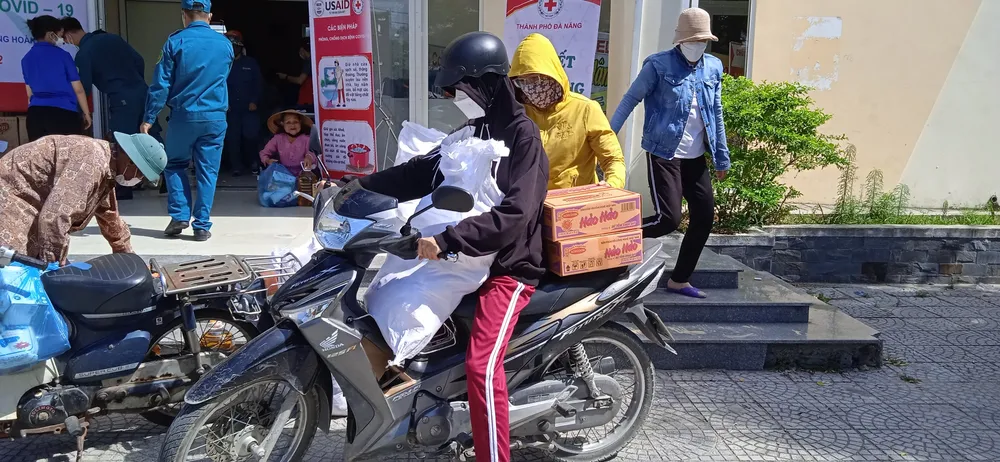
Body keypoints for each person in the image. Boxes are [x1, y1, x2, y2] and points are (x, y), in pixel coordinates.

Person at [357, 32, 548, 462]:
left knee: (481, 367)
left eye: (458, 89)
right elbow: (420, 173)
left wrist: (447, 240)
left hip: (509, 268)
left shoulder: (524, 139)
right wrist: (360, 187)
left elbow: (516, 215)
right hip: (462, 258)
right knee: (383, 299)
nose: (454, 98)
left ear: (486, 83)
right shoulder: (470, 131)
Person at [609, 7, 730, 299]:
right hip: (664, 153)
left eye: (702, 41)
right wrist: (606, 138)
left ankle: (680, 279)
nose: (698, 45)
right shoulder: (658, 65)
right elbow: (630, 100)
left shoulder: (713, 67)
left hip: (695, 157)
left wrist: (721, 156)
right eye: (693, 40)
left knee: (704, 217)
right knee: (668, 219)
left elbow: (716, 112)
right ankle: (612, 241)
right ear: (681, 40)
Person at [141, 0, 234, 242]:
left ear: (184, 15)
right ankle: (201, 226)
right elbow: (223, 77)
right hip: (215, 117)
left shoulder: (175, 41)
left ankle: (179, 215)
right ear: (209, 16)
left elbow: (160, 84)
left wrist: (149, 117)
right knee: (208, 171)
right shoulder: (225, 44)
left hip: (184, 116)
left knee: (174, 164)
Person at [0, 133, 167, 264]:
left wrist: (128, 256)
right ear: (130, 162)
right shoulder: (91, 163)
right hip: (10, 195)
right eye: (141, 175)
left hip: (25, 198)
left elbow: (110, 216)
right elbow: (55, 218)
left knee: (33, 262)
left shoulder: (105, 165)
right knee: (14, 266)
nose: (139, 180)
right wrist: (54, 266)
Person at [61, 16, 163, 201]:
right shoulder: (113, 38)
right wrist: (134, 80)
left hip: (121, 96)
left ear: (68, 35)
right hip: (142, 92)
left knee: (122, 142)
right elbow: (139, 60)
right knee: (151, 137)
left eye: (64, 39)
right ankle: (167, 180)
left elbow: (83, 86)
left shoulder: (84, 53)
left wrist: (80, 111)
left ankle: (124, 187)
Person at [509, 33, 625, 190]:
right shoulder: (518, 112)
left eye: (535, 78)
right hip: (531, 201)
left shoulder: (585, 110)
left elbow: (613, 159)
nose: (530, 87)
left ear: (552, 73)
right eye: (522, 81)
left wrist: (612, 184)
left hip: (576, 200)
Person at [20, 15, 91, 141]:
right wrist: (86, 113)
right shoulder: (64, 56)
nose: (61, 39)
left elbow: (29, 93)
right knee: (66, 152)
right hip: (63, 114)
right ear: (50, 34)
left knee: (40, 153)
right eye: (60, 35)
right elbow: (78, 89)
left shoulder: (26, 58)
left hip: (35, 115)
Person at [224, 30, 263, 176]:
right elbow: (218, 85)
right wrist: (224, 103)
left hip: (249, 107)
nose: (233, 49)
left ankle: (253, 163)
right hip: (230, 108)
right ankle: (236, 166)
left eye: (235, 46)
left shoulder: (250, 63)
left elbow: (258, 84)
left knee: (251, 135)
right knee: (232, 138)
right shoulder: (222, 64)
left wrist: (254, 101)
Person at [259, 110, 317, 176]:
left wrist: (309, 157)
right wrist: (267, 160)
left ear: (300, 123)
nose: (292, 125)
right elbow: (264, 153)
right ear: (282, 124)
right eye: (288, 122)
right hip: (282, 175)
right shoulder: (278, 138)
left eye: (295, 122)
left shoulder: (306, 139)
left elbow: (312, 152)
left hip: (303, 175)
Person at [277, 39, 313, 108]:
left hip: (307, 99)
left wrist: (285, 77)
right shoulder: (315, 59)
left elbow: (300, 80)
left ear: (302, 49)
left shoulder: (308, 62)